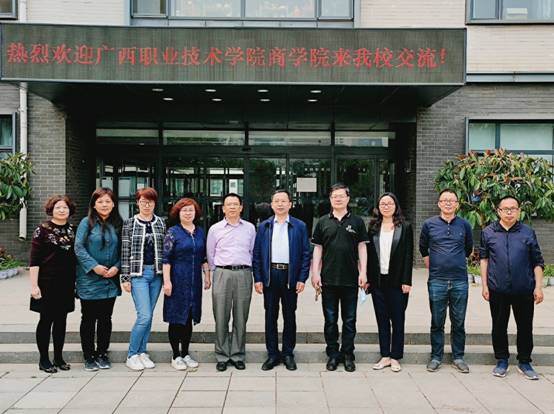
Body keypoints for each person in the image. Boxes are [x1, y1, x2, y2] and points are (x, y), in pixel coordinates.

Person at [480, 196, 545, 380]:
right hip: (497, 288)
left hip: (523, 289)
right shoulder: (488, 232)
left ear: (519, 211)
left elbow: (537, 262)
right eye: (505, 209)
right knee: (499, 326)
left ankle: (524, 361)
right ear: (498, 211)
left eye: (513, 208)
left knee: (525, 326)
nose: (509, 212)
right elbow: (484, 259)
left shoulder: (528, 232)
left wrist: (538, 287)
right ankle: (502, 360)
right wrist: (484, 285)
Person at [311, 183, 369, 372]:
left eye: (341, 196)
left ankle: (348, 354)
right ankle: (333, 354)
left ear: (348, 199)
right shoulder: (322, 222)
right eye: (334, 196)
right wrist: (315, 273)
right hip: (328, 279)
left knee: (350, 320)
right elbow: (318, 249)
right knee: (330, 320)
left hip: (351, 279)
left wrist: (363, 272)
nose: (338, 199)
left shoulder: (357, 222)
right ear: (330, 199)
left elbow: (362, 247)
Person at [253, 189, 311, 371]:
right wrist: (258, 278)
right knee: (270, 315)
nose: (280, 204)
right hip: (270, 275)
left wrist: (302, 278)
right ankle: (272, 353)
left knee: (289, 315)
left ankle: (288, 353)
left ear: (290, 204)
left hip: (290, 275)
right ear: (271, 205)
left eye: (283, 201)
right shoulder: (264, 226)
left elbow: (306, 254)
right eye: (276, 201)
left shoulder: (299, 226)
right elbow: (257, 254)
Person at [419, 189, 473, 373]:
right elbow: (423, 248)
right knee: (437, 321)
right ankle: (436, 357)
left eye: (452, 200)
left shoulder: (465, 225)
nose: (448, 203)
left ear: (457, 204)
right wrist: (435, 265)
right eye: (444, 200)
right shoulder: (429, 224)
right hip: (437, 280)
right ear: (439, 204)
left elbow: (468, 249)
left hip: (459, 280)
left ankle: (458, 357)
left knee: (459, 322)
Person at [206, 193, 256, 372]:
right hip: (222, 273)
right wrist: (214, 273)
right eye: (229, 204)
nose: (232, 207)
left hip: (243, 273)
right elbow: (210, 253)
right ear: (223, 208)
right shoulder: (215, 229)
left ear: (241, 207)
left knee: (241, 316)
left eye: (236, 204)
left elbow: (253, 251)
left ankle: (237, 355)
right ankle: (221, 355)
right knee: (221, 315)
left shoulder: (250, 228)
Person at [75, 188, 122, 371]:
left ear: (113, 204)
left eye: (108, 201)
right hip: (89, 279)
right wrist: (94, 266)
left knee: (105, 318)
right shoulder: (86, 223)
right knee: (88, 318)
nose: (104, 205)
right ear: (94, 204)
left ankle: (102, 353)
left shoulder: (117, 224)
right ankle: (88, 356)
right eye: (100, 201)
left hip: (110, 278)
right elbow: (78, 248)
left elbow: (123, 250)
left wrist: (117, 267)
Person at [29, 195, 77, 373]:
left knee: (61, 320)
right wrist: (34, 285)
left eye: (65, 207)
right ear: (51, 210)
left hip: (66, 282)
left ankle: (58, 357)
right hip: (46, 282)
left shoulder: (73, 230)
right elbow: (34, 260)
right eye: (58, 207)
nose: (62, 210)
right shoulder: (42, 230)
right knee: (46, 320)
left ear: (69, 210)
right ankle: (44, 360)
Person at [120, 187, 166, 371]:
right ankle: (132, 354)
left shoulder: (161, 223)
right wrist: (125, 277)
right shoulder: (130, 223)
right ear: (137, 203)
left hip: (157, 275)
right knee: (144, 315)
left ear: (155, 203)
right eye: (143, 201)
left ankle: (142, 351)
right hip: (138, 274)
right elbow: (125, 251)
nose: (147, 205)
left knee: (149, 315)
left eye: (150, 202)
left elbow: (165, 250)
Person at [162, 197, 211, 371]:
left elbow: (204, 257)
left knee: (189, 316)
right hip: (177, 279)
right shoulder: (173, 232)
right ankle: (176, 355)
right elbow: (166, 259)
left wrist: (207, 276)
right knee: (176, 318)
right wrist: (167, 282)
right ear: (178, 213)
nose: (188, 213)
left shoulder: (200, 232)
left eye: (191, 210)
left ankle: (185, 353)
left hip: (194, 280)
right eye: (184, 210)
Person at [367, 192, 413, 373]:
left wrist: (407, 280)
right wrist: (367, 278)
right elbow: (369, 254)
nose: (386, 207)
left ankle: (395, 357)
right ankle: (385, 355)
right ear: (378, 207)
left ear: (396, 206)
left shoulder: (405, 227)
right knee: (382, 319)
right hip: (378, 280)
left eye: (389, 203)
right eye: (383, 204)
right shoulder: (373, 227)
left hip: (397, 281)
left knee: (398, 319)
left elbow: (408, 255)